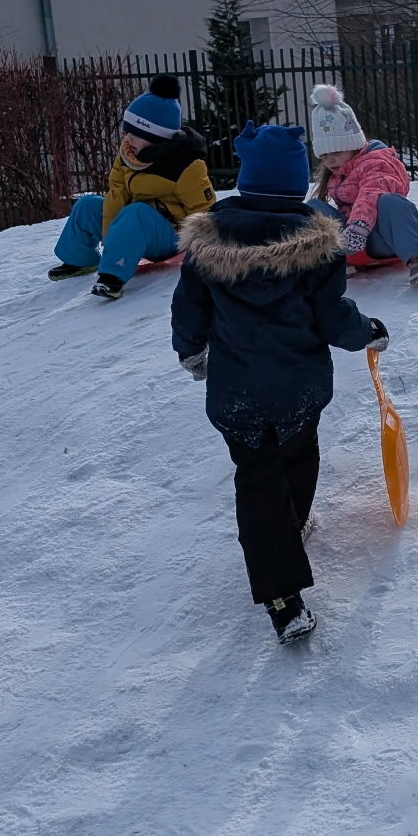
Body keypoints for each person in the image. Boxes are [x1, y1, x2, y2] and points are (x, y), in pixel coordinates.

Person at [171, 119, 387, 645]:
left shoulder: (208, 242)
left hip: (236, 391)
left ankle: (281, 592)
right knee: (299, 452)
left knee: (257, 479)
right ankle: (289, 546)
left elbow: (189, 307)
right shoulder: (318, 244)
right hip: (297, 388)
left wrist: (191, 351)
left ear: (246, 180)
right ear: (296, 185)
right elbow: (332, 317)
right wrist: (369, 332)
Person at [48, 74, 215, 299]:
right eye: (127, 132)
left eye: (135, 134)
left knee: (136, 212)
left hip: (169, 236)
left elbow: (204, 211)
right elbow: (117, 192)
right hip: (129, 226)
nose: (128, 139)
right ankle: (79, 259)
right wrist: (110, 236)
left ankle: (112, 275)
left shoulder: (186, 165)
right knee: (88, 204)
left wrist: (207, 248)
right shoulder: (128, 155)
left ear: (157, 137)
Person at [309, 84, 418, 285]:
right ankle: (334, 261)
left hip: (384, 239)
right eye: (324, 155)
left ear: (353, 146)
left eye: (336, 152)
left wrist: (358, 227)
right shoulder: (339, 172)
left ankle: (417, 258)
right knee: (312, 208)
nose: (330, 160)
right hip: (352, 244)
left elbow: (371, 192)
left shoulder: (377, 162)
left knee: (390, 201)